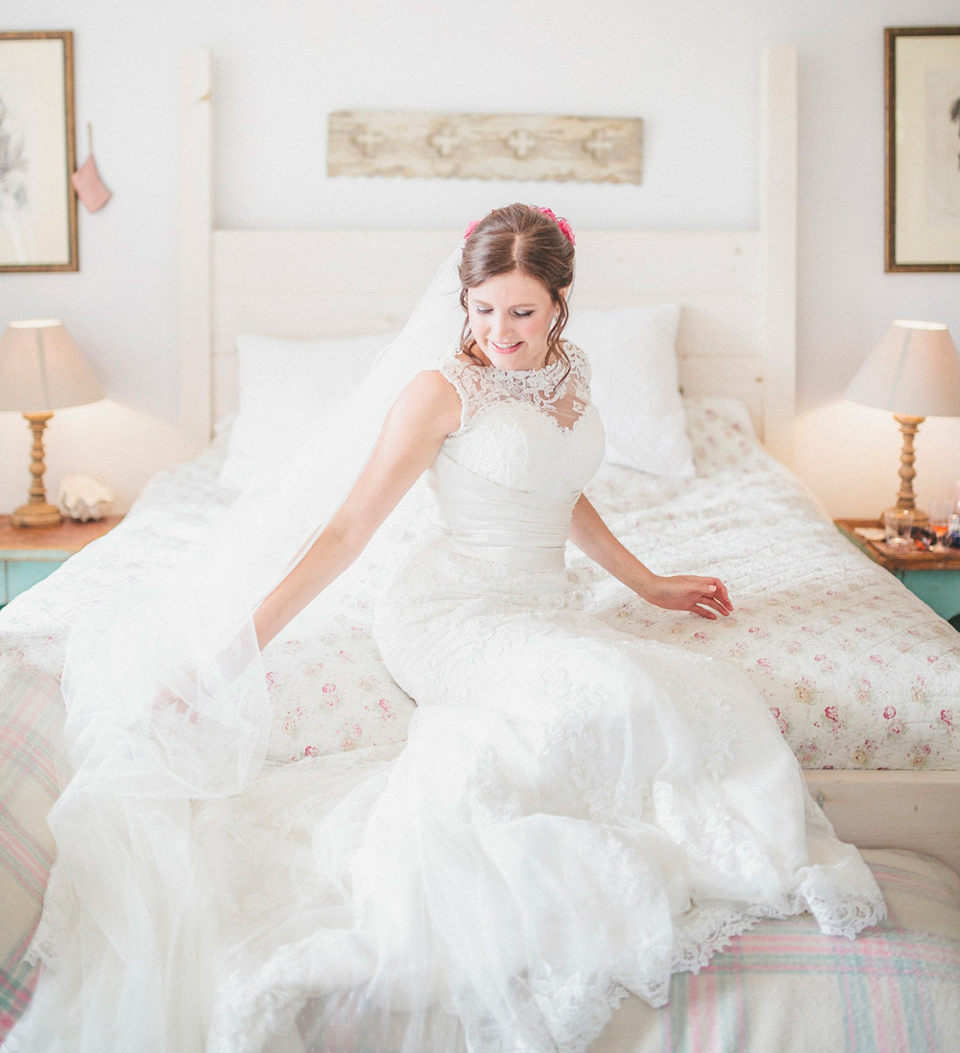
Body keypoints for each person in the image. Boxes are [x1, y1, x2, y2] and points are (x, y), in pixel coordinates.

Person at [10, 204, 884, 1053]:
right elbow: (345, 533)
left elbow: (559, 487)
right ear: (460, 301)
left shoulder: (570, 370)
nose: (499, 330)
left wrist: (648, 583)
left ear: (559, 303)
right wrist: (223, 662)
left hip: (544, 602)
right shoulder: (438, 391)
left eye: (521, 311)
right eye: (481, 308)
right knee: (612, 691)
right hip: (449, 609)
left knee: (698, 689)